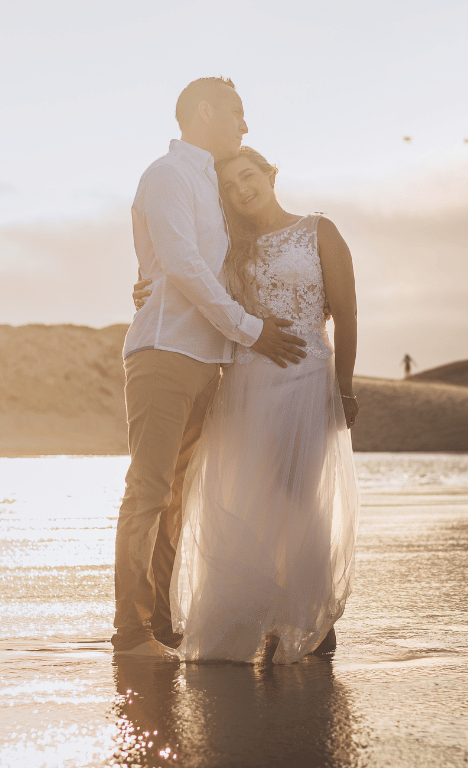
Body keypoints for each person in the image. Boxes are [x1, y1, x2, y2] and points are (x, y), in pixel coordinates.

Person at [113, 78, 308, 660]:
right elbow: (182, 264)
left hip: (208, 363)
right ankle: (132, 633)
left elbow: (202, 270)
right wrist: (251, 330)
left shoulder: (212, 187)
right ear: (204, 113)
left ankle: (165, 627)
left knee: (176, 499)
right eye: (237, 113)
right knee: (148, 493)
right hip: (167, 354)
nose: (245, 126)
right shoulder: (166, 175)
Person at [165, 146, 360, 664]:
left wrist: (344, 389)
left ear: (271, 175)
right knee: (244, 497)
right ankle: (244, 620)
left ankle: (303, 620)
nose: (240, 189)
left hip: (305, 382)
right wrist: (147, 289)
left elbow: (346, 313)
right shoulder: (228, 248)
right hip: (245, 386)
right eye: (228, 186)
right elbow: (194, 290)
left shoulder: (320, 230)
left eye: (247, 176)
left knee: (296, 498)